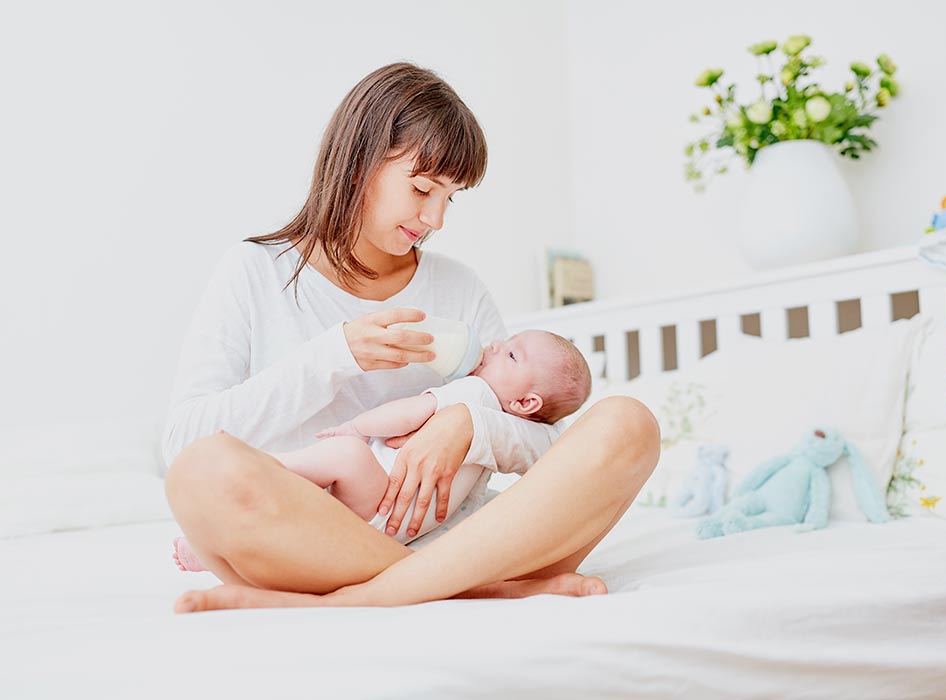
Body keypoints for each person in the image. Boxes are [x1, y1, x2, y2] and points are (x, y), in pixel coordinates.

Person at [163, 61, 659, 613]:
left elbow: (548, 447)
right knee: (201, 472)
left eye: (451, 197)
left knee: (629, 425)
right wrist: (333, 357)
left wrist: (469, 425)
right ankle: (467, 588)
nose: (436, 218)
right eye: (423, 188)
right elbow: (184, 440)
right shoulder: (255, 271)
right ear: (358, 164)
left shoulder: (458, 288)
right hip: (311, 542)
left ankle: (379, 592)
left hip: (468, 540)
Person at [172, 328, 592, 571]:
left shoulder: (477, 393)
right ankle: (209, 554)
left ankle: (257, 462)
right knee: (294, 531)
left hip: (383, 502)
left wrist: (356, 427)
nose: (496, 346)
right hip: (397, 531)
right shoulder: (503, 441)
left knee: (345, 456)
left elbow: (408, 413)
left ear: (526, 403)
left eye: (512, 353)